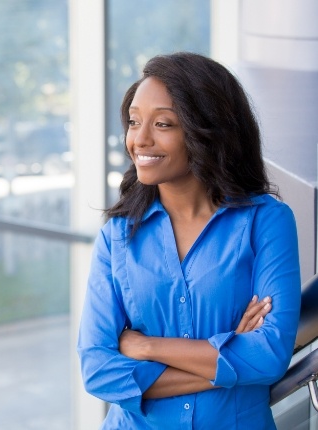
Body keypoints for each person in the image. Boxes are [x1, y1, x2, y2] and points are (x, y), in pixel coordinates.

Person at [77, 52, 301, 429]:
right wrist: (229, 353)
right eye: (134, 122)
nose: (140, 140)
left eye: (163, 123)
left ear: (208, 130)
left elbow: (268, 356)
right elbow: (98, 371)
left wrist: (146, 347)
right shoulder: (118, 234)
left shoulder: (266, 222)